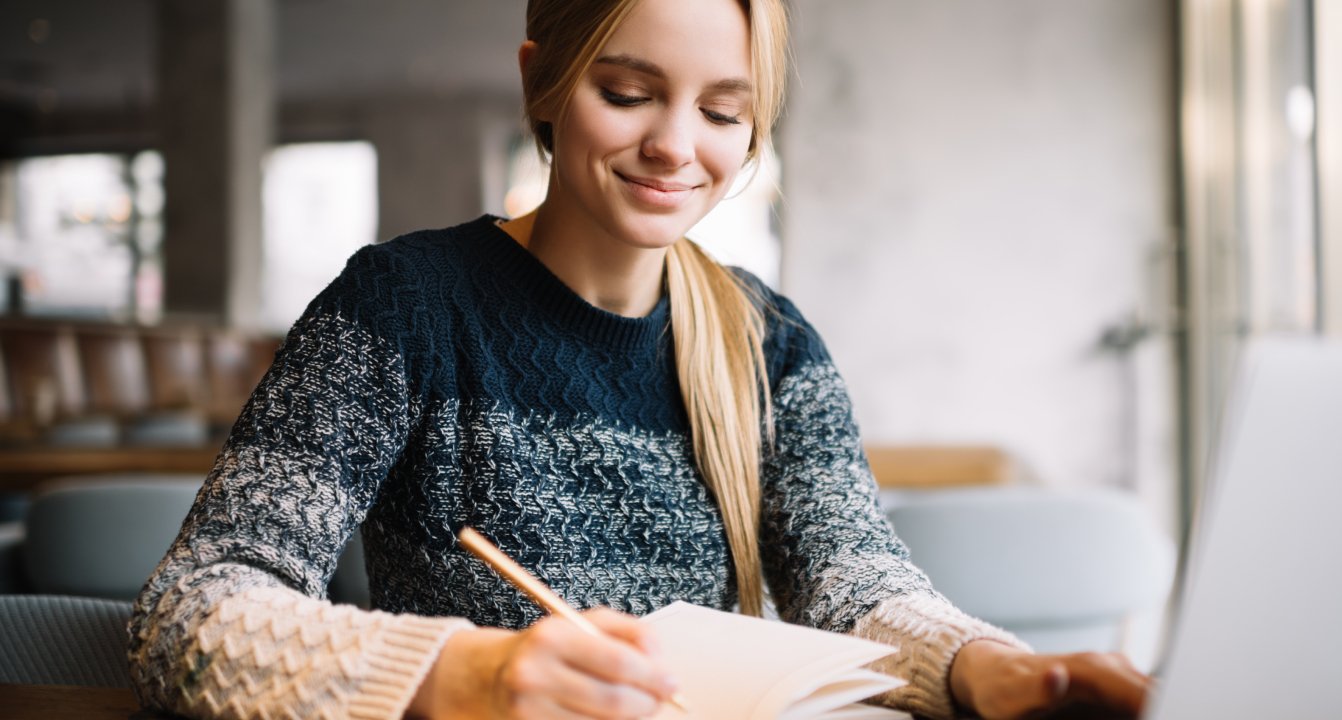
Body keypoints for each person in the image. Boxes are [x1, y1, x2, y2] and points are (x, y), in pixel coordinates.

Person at [127, 0, 1152, 717]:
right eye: (627, 92)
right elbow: (192, 613)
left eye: (721, 112)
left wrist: (984, 668)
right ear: (542, 81)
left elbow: (850, 576)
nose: (675, 146)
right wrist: (468, 676)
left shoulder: (771, 341)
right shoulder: (403, 307)